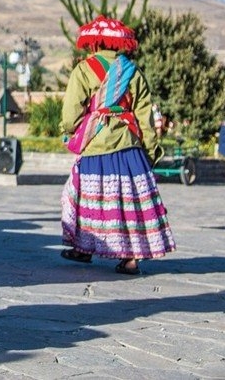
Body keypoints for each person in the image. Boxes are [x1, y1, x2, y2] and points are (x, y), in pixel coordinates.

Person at [59, 16, 175, 275]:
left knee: (89, 199)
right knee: (128, 202)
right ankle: (131, 257)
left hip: (96, 146)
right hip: (129, 147)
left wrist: (70, 131)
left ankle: (83, 248)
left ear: (95, 43)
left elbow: (70, 112)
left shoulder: (84, 69)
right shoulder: (133, 72)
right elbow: (144, 114)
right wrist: (150, 148)